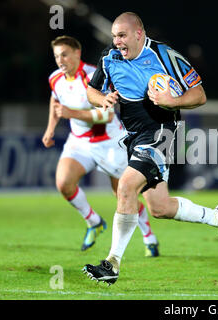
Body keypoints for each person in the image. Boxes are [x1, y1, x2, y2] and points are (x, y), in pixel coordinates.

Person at [83, 12, 218, 285]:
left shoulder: (164, 55)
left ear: (138, 34)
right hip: (134, 137)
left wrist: (173, 101)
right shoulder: (109, 57)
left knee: (125, 187)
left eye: (122, 35)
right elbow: (91, 91)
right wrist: (103, 99)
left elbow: (200, 94)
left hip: (163, 134)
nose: (117, 41)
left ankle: (112, 263)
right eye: (114, 36)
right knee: (160, 208)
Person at [43, 35, 160, 257]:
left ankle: (148, 235)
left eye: (65, 54)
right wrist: (50, 128)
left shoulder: (93, 75)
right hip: (79, 142)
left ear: (77, 53)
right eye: (57, 56)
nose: (61, 60)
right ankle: (94, 222)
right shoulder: (55, 78)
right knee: (63, 183)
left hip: (109, 143)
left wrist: (72, 114)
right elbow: (55, 100)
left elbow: (106, 115)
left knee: (124, 194)